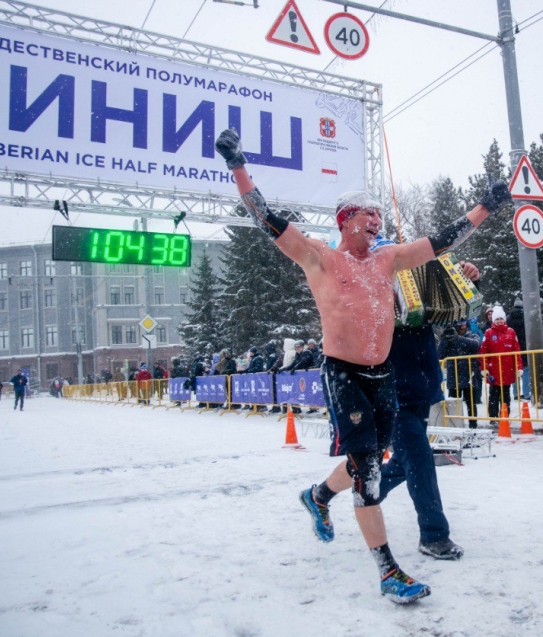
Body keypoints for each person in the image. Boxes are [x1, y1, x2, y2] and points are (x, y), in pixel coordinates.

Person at [215, 126, 509, 603]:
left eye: (378, 215)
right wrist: (237, 166)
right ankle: (389, 570)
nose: (377, 221)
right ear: (347, 219)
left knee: (365, 462)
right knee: (369, 468)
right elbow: (264, 216)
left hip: (383, 376)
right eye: (368, 215)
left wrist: (486, 206)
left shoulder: (388, 259)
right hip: (344, 373)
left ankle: (318, 497)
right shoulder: (320, 258)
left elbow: (442, 241)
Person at [319, 237, 472, 563]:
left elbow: (452, 311)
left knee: (402, 463)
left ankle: (324, 493)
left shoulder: (417, 288)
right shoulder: (360, 298)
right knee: (419, 459)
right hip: (389, 392)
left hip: (423, 387)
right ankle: (434, 535)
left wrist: (468, 278)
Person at [479, 305, 523, 420]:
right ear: (493, 320)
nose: (499, 321)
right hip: (493, 370)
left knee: (506, 396)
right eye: (497, 319)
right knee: (493, 395)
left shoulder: (511, 332)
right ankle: (493, 418)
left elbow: (516, 350)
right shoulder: (488, 333)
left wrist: (519, 367)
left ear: (504, 319)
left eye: (501, 319)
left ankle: (505, 417)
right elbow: (483, 351)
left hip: (508, 370)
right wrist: (484, 368)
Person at [438, 320, 481, 428]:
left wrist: (457, 338)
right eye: (459, 323)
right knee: (453, 404)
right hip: (454, 376)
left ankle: (473, 425)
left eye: (463, 323)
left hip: (469, 375)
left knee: (471, 404)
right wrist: (444, 339)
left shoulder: (472, 335)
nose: (462, 325)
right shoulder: (448, 338)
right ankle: (454, 426)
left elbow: (476, 344)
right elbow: (440, 355)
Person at [506, 298, 530, 400]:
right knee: (525, 370)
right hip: (524, 346)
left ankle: (516, 394)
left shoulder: (508, 318)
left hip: (513, 347)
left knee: (515, 370)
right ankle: (526, 393)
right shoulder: (526, 316)